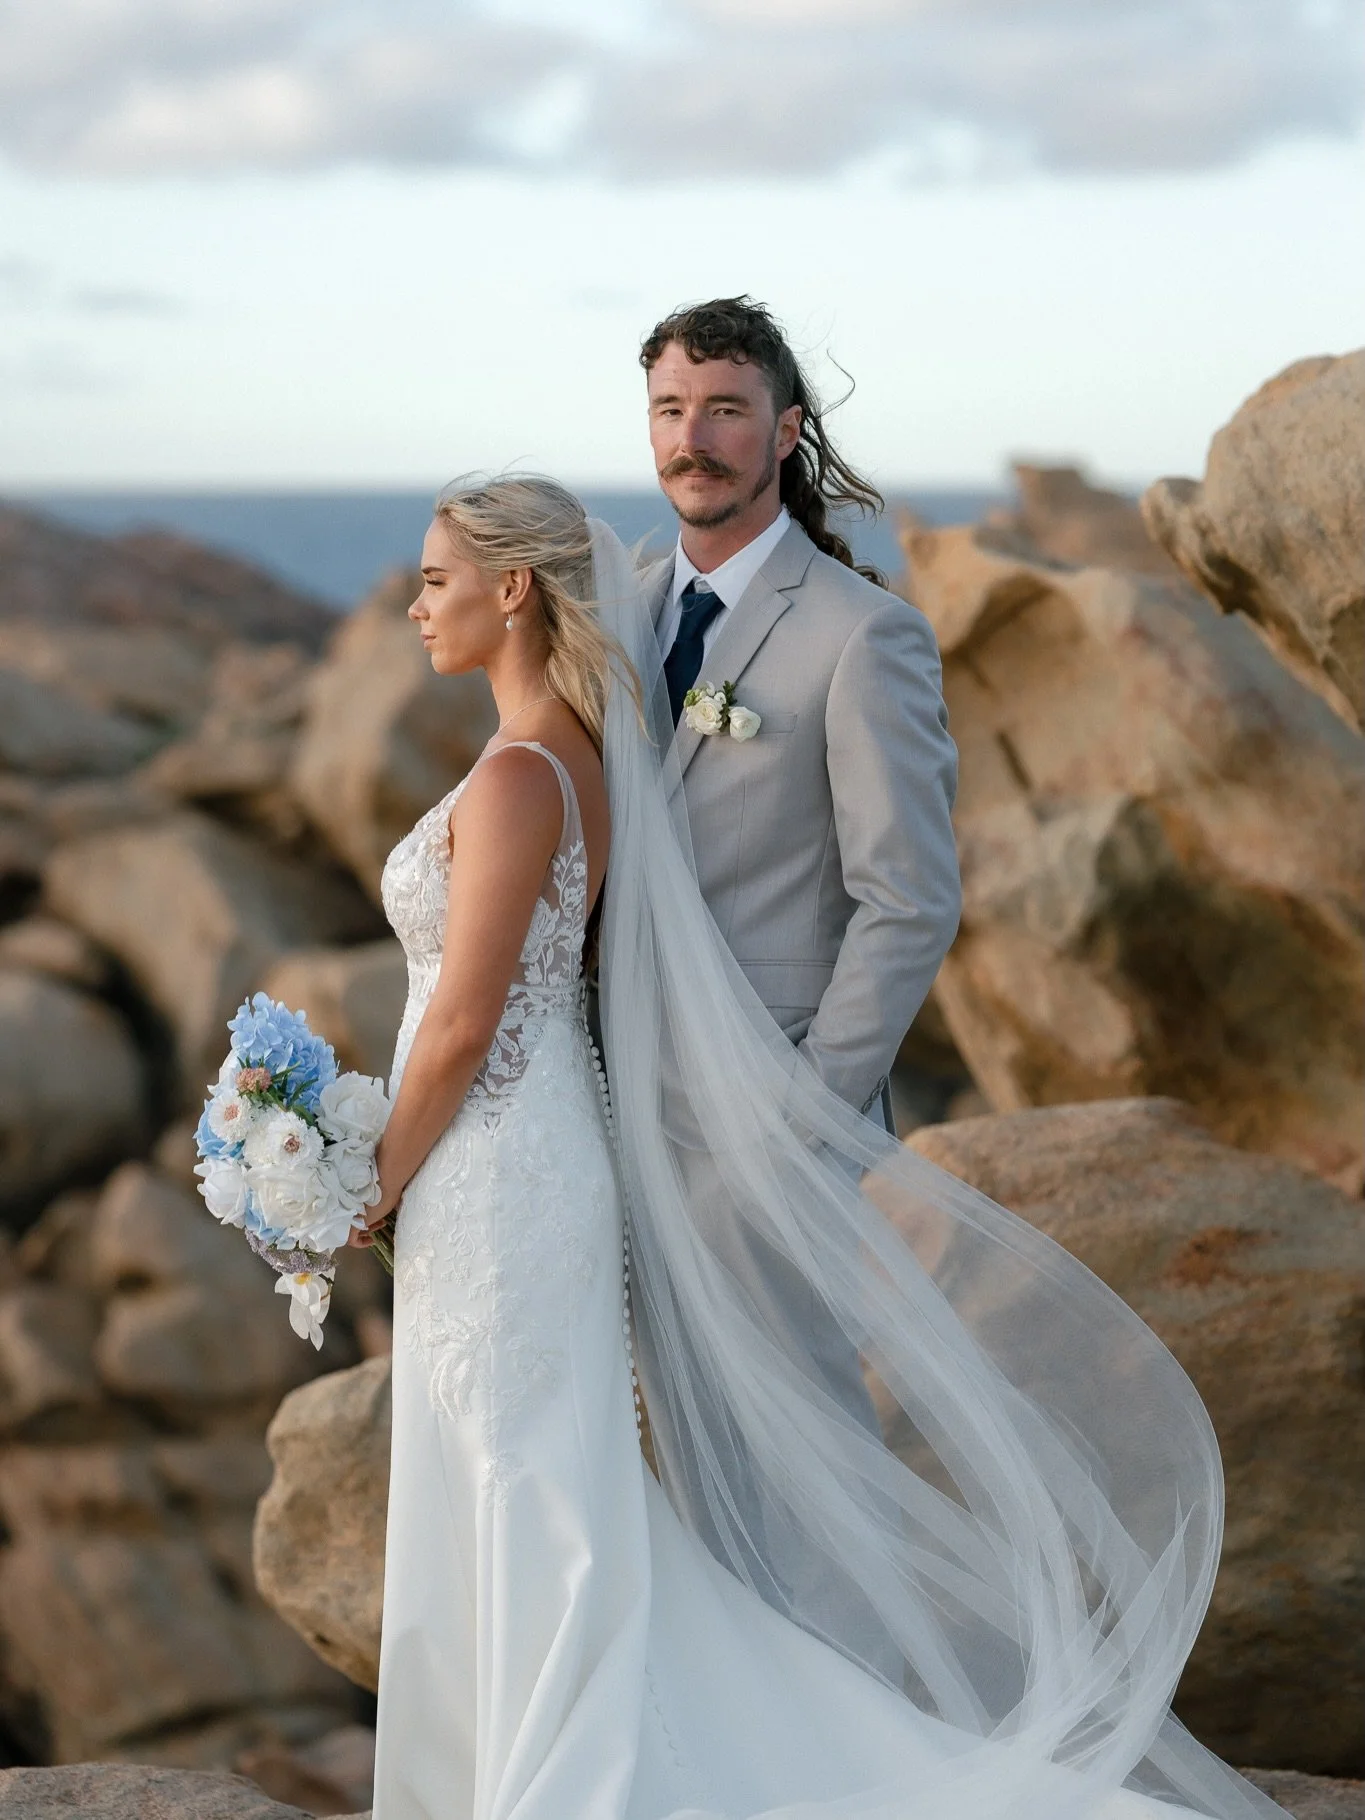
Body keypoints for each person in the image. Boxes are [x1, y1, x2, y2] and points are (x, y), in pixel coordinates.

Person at [352, 470, 1285, 1820]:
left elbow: (459, 1027)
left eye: (437, 579)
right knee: (535, 1475)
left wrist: (358, 1185)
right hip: (514, 1156)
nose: (416, 605)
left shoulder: (516, 783)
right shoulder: (574, 765)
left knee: (528, 1479)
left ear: (511, 592)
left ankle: (555, 1776)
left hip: (498, 1165)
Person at [631, 298, 959, 1612]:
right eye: (669, 409)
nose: (692, 438)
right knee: (686, 1444)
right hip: (633, 1102)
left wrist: (808, 1115)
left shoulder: (858, 632)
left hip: (773, 1103)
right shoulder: (634, 611)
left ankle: (865, 1746)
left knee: (807, 1449)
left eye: (721, 408)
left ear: (785, 431)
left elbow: (910, 899)